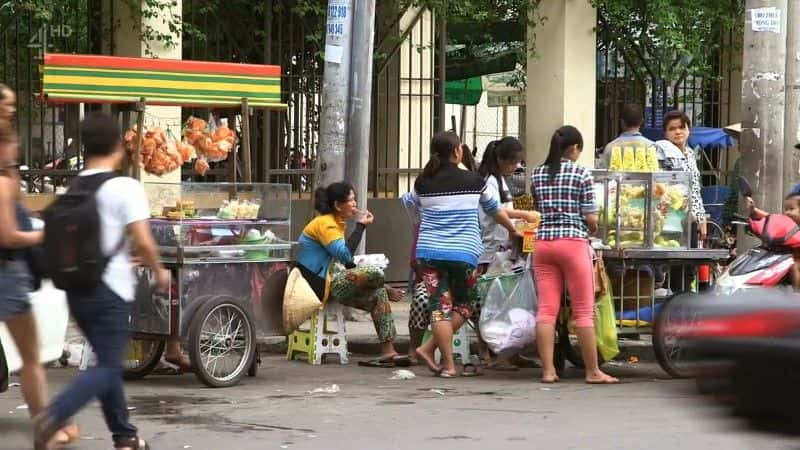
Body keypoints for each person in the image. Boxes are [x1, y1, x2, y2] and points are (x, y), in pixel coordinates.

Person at [34, 113, 169, 450]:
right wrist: (160, 271)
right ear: (118, 147)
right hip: (109, 292)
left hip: (77, 290)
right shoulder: (124, 186)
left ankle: (125, 436)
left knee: (106, 363)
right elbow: (143, 239)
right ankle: (55, 414)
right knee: (108, 367)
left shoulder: (75, 186)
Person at [412, 131, 521, 378]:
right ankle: (435, 353)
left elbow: (413, 208)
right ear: (457, 152)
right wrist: (513, 229)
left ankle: (441, 359)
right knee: (465, 305)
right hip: (463, 254)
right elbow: (495, 210)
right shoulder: (474, 180)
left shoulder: (422, 182)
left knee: (439, 307)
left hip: (429, 253)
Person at [531, 125, 619, 385]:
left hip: (544, 245)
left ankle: (548, 370)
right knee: (583, 310)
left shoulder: (537, 174)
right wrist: (592, 226)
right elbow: (591, 217)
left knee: (546, 310)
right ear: (575, 148)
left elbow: (538, 209)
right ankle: (592, 371)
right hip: (572, 244)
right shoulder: (581, 173)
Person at [296, 182, 407, 366]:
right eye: (351, 200)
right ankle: (383, 286)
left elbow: (347, 264)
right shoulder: (326, 224)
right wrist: (361, 226)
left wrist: (382, 286)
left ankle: (388, 352)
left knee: (378, 294)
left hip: (332, 278)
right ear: (338, 205)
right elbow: (346, 255)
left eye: (355, 199)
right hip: (316, 283)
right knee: (374, 271)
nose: (355, 204)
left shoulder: (336, 223)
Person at [476, 137, 540, 370]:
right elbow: (499, 212)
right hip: (490, 250)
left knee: (507, 303)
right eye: (513, 163)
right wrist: (524, 217)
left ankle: (509, 351)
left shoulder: (500, 181)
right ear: (501, 160)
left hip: (503, 247)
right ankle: (487, 353)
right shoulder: (489, 182)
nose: (516, 168)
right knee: (490, 303)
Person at [600, 104, 656, 169]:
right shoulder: (651, 147)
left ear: (622, 122)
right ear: (641, 121)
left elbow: (603, 174)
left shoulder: (609, 148)